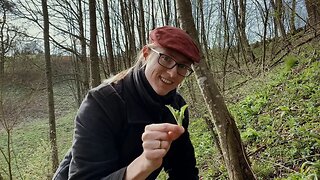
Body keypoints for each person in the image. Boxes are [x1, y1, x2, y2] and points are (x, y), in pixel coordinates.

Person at [53, 26, 201, 180]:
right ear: (146, 54)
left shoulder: (176, 108)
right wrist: (145, 164)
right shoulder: (101, 103)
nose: (172, 73)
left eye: (183, 66)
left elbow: (184, 170)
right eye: (166, 58)